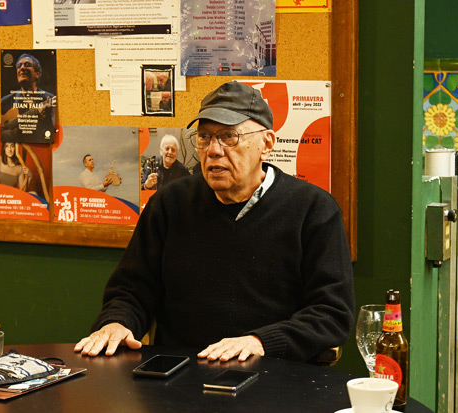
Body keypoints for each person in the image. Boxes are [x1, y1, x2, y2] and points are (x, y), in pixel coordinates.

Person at [75, 81, 354, 363]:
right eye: (205, 137)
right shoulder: (170, 203)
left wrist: (260, 342)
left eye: (229, 136)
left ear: (266, 144)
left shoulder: (313, 209)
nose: (214, 150)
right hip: (182, 373)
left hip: (276, 373)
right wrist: (116, 322)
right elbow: (131, 290)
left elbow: (331, 313)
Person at [1, 53, 55, 142]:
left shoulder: (49, 99)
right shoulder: (5, 101)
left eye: (27, 65)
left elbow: (51, 133)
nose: (22, 68)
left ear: (37, 74)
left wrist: (46, 118)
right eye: (19, 66)